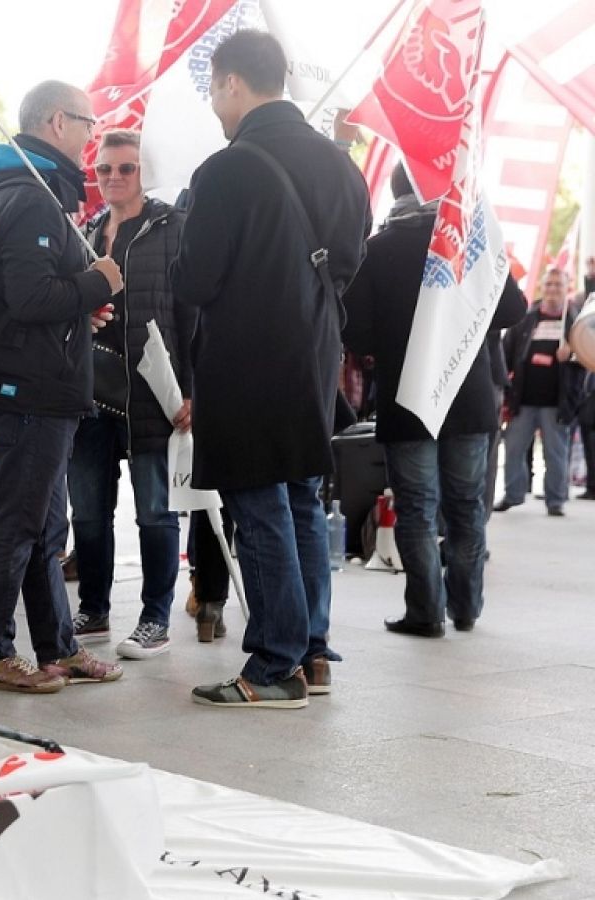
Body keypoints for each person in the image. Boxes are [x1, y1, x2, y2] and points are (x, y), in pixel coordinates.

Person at [171, 31, 371, 708]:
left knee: (258, 505)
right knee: (300, 499)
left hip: (246, 356)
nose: (215, 108)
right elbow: (349, 261)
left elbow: (196, 280)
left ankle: (273, 665)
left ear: (232, 83)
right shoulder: (339, 163)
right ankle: (312, 650)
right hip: (314, 350)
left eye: (214, 91)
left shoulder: (223, 170)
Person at [0, 80, 126, 694]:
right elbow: (30, 296)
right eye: (88, 123)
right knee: (17, 522)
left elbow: (24, 299)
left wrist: (77, 308)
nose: (91, 135)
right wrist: (97, 285)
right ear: (59, 121)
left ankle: (57, 647)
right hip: (28, 391)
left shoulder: (30, 192)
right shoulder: (30, 197)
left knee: (44, 526)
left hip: (38, 384)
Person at [342, 164, 526, 637]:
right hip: (468, 398)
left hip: (409, 399)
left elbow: (355, 329)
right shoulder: (471, 242)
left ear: (397, 191)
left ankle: (426, 612)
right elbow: (512, 310)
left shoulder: (378, 250)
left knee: (418, 508)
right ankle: (466, 606)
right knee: (466, 506)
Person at [69, 129, 192, 660]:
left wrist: (195, 388)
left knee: (154, 512)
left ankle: (155, 618)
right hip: (90, 391)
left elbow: (197, 314)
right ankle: (93, 608)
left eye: (127, 168)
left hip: (150, 389)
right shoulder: (85, 232)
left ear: (145, 171)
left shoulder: (172, 227)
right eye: (104, 170)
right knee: (89, 512)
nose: (114, 178)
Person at [497, 268, 584, 516]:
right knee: (514, 449)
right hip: (523, 399)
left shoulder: (576, 322)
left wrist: (572, 356)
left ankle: (555, 500)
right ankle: (513, 494)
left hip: (557, 401)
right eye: (549, 284)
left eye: (558, 284)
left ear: (566, 288)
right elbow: (507, 352)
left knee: (555, 453)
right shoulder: (527, 318)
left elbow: (589, 359)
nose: (553, 289)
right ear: (542, 288)